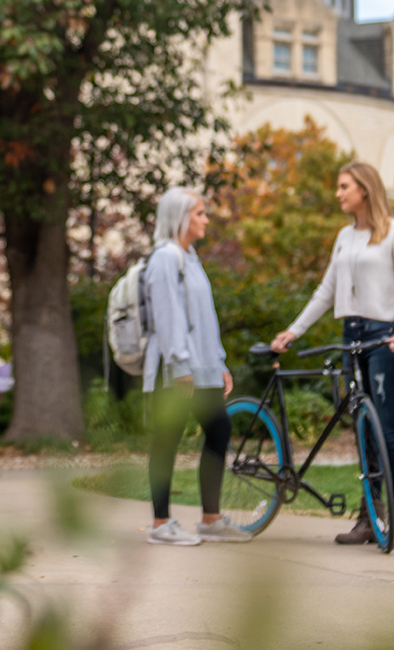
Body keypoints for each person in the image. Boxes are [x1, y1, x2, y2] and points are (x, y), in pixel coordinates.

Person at [269, 161, 394, 549]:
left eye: (343, 187)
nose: (338, 194)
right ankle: (371, 516)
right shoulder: (344, 236)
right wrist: (294, 329)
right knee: (363, 431)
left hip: (385, 338)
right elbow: (326, 290)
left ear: (365, 190)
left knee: (387, 429)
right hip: (351, 335)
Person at [142, 188, 253, 546]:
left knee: (219, 430)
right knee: (167, 440)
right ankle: (161, 523)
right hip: (175, 368)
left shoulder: (191, 258)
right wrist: (179, 365)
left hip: (201, 366)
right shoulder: (165, 258)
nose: (206, 219)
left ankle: (210, 519)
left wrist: (218, 361)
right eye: (200, 213)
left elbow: (205, 319)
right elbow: (167, 316)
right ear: (180, 216)